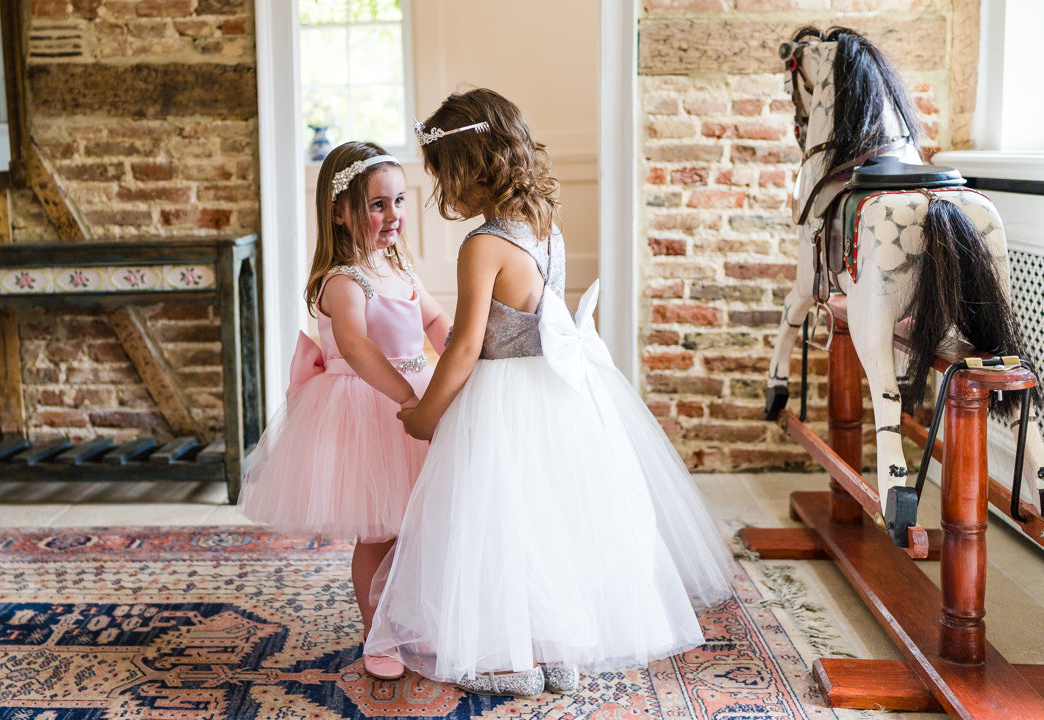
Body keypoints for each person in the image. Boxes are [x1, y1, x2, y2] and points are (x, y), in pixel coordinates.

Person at [365, 89, 737, 698]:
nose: (439, 192)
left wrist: (427, 414)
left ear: (467, 168)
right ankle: (552, 650)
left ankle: (510, 658)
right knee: (549, 522)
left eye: (440, 175)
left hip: (502, 399)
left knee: (495, 527)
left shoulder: (483, 246)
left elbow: (463, 346)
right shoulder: (545, 226)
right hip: (558, 394)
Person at [237, 141, 451, 681]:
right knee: (378, 528)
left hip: (415, 392)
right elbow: (355, 347)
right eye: (377, 205)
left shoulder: (399, 268)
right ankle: (375, 630)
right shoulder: (341, 280)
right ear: (339, 210)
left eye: (400, 201)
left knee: (417, 522)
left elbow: (435, 322)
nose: (393, 216)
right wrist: (407, 396)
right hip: (369, 404)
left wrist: (462, 360)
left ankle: (409, 616)